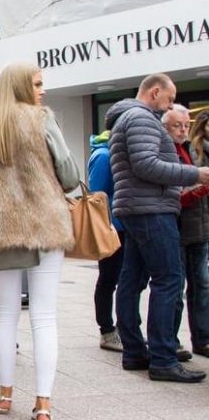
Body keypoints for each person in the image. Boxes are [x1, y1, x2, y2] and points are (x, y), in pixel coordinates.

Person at [0, 62, 79, 420]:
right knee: (44, 316)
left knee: (6, 315)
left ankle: (5, 396)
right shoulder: (41, 119)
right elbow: (68, 171)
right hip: (45, 224)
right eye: (38, 83)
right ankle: (43, 403)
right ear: (20, 87)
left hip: (0, 229)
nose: (42, 90)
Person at [109, 73, 209, 383]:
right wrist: (195, 174)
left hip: (140, 208)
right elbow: (146, 164)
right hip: (151, 208)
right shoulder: (141, 118)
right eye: (169, 98)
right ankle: (164, 358)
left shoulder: (130, 117)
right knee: (168, 279)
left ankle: (136, 352)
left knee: (133, 279)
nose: (170, 106)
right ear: (155, 92)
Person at [165, 105, 209, 361]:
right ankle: (171, 341)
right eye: (177, 125)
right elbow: (177, 192)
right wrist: (202, 187)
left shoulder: (188, 149)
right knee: (176, 288)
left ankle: (202, 339)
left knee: (202, 286)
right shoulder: (189, 151)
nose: (182, 130)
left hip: (200, 229)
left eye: (184, 125)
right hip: (180, 228)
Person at [87, 115, 125, 352]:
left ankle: (125, 327)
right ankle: (107, 330)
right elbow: (97, 195)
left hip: (126, 226)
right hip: (112, 228)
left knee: (125, 280)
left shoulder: (116, 152)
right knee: (109, 279)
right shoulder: (103, 155)